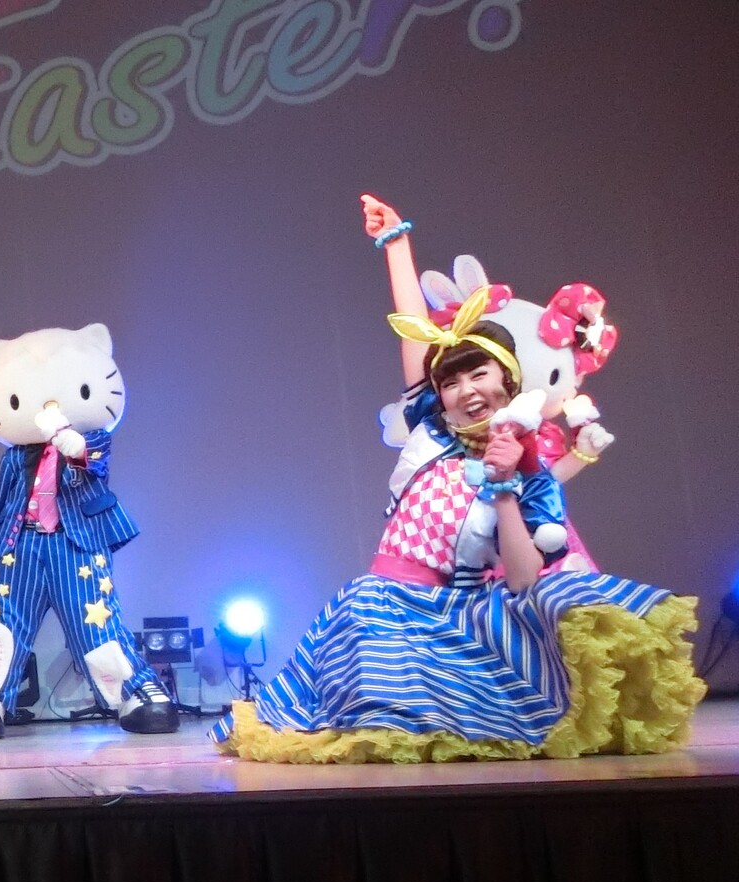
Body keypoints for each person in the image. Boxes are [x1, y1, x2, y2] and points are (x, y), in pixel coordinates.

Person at [208, 199, 704, 763]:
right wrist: (396, 244)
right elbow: (413, 332)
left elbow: (524, 579)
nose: (465, 390)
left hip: (462, 611)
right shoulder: (430, 430)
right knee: (371, 652)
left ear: (508, 382)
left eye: (479, 375)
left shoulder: (529, 471)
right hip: (390, 602)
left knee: (561, 606)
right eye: (451, 382)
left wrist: (504, 486)